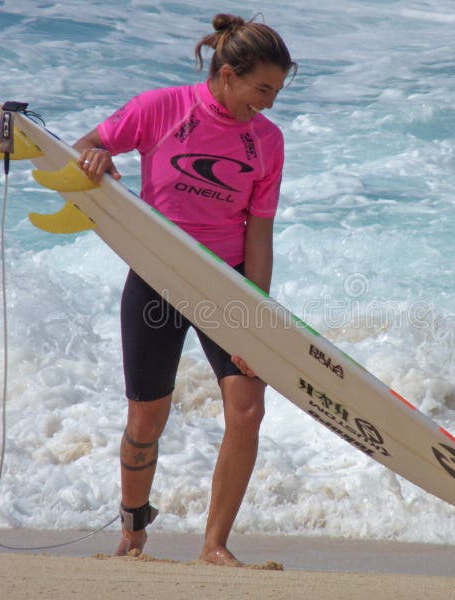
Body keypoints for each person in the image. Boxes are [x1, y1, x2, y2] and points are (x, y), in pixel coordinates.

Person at [72, 13, 296, 566]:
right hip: (157, 275)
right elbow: (82, 149)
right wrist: (96, 158)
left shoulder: (267, 142)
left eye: (277, 91)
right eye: (261, 88)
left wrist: (254, 315)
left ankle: (215, 545)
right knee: (146, 417)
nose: (268, 103)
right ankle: (131, 533)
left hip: (225, 282)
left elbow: (259, 234)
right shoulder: (159, 108)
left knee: (247, 410)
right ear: (225, 74)